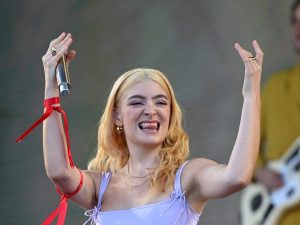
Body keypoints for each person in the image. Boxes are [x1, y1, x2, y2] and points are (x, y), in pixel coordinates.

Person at [41, 32, 263, 225]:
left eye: (160, 102)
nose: (151, 110)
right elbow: (60, 172)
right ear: (117, 116)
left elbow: (237, 177)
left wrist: (251, 95)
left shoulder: (187, 178)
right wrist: (51, 84)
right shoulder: (100, 188)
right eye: (137, 102)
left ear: (170, 114)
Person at [254, 1, 300, 225]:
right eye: (295, 22)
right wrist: (260, 171)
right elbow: (248, 145)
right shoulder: (274, 87)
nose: (298, 31)